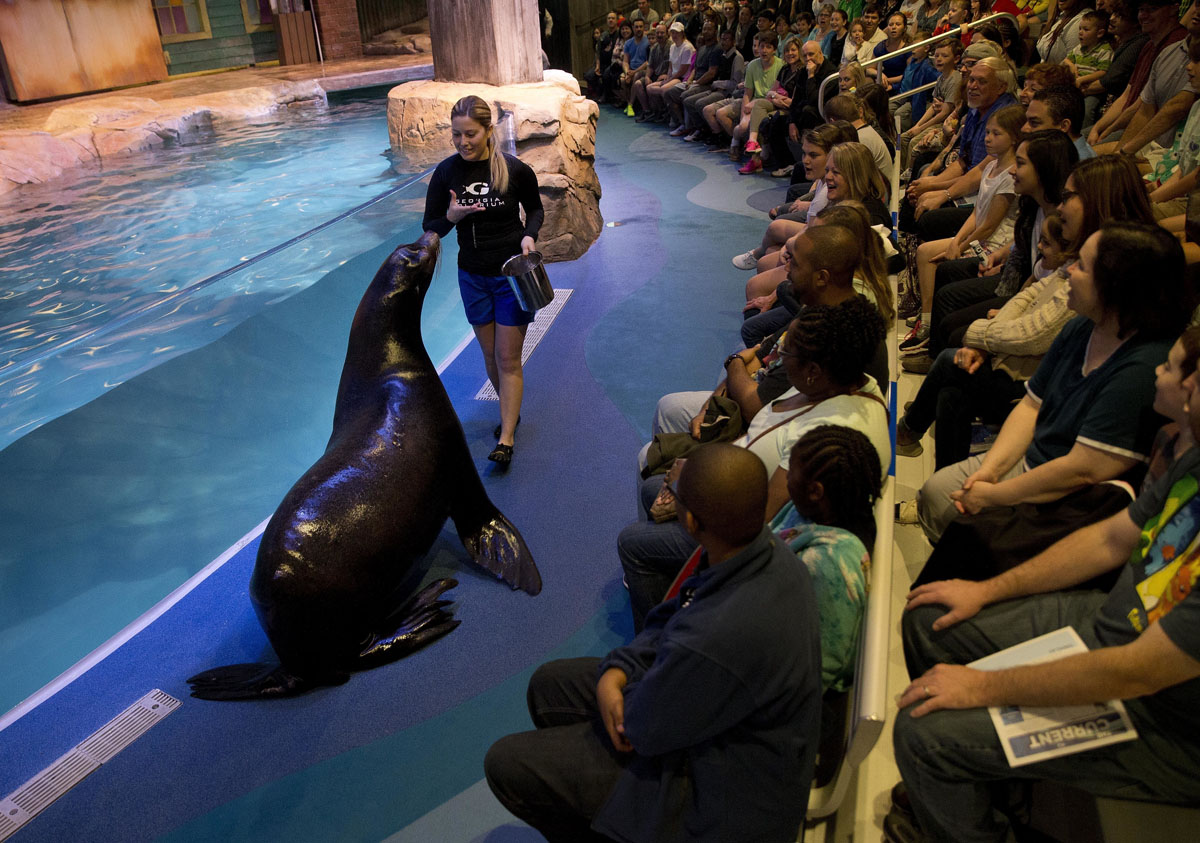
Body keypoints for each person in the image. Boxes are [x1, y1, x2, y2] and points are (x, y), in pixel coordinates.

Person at [890, 298, 1200, 842]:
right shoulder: (1187, 454)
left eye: (1172, 368)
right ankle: (989, 789)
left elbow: (1137, 672)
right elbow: (1110, 539)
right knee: (931, 614)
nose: (1158, 369)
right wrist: (985, 591)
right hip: (1111, 624)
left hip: (1164, 721)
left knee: (925, 734)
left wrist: (982, 688)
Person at [485, 443, 822, 843]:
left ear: (692, 520)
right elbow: (671, 616)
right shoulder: (758, 551)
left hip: (724, 801)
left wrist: (618, 693)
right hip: (714, 727)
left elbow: (642, 730)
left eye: (675, 496)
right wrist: (618, 669)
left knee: (506, 763)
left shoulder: (719, 636)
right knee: (548, 685)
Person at [912, 219, 1193, 546]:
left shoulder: (1143, 366)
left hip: (1075, 503)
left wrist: (994, 495)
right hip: (1033, 463)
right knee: (935, 494)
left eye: (1082, 267)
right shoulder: (1082, 327)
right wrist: (989, 471)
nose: (1068, 271)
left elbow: (1082, 470)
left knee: (965, 524)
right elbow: (1032, 406)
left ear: (1116, 287)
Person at [621, 293, 890, 629]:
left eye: (786, 352)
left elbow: (762, 524)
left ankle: (661, 648)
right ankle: (676, 601)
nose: (776, 357)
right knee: (650, 489)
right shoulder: (838, 384)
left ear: (813, 371)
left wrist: (687, 489)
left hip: (747, 539)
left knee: (632, 543)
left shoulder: (824, 435)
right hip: (736, 493)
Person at [422, 96, 544, 467]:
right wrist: (453, 216)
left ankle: (506, 437)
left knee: (508, 358)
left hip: (510, 275)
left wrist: (529, 235)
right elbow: (432, 227)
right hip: (472, 276)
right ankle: (511, 409)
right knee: (490, 357)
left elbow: (535, 207)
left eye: (470, 134)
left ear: (488, 130)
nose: (463, 142)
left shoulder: (513, 169)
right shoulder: (445, 174)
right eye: (456, 134)